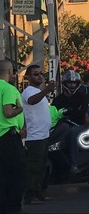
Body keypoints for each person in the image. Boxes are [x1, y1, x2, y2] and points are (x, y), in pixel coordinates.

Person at [21, 65, 55, 205]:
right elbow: (31, 101)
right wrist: (46, 90)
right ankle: (30, 196)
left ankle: (39, 192)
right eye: (36, 74)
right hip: (34, 137)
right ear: (28, 77)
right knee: (33, 168)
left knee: (42, 167)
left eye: (41, 73)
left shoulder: (37, 91)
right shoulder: (28, 91)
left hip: (43, 135)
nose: (40, 76)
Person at [0, 60, 27, 214]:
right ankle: (13, 207)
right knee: (17, 173)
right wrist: (20, 109)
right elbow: (8, 112)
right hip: (7, 137)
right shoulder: (8, 89)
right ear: (10, 72)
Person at [52, 70, 89, 174]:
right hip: (62, 125)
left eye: (74, 83)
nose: (72, 85)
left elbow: (81, 113)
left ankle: (74, 165)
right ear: (65, 84)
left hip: (79, 126)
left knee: (72, 133)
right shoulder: (58, 99)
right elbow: (53, 113)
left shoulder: (81, 97)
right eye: (70, 82)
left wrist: (68, 113)